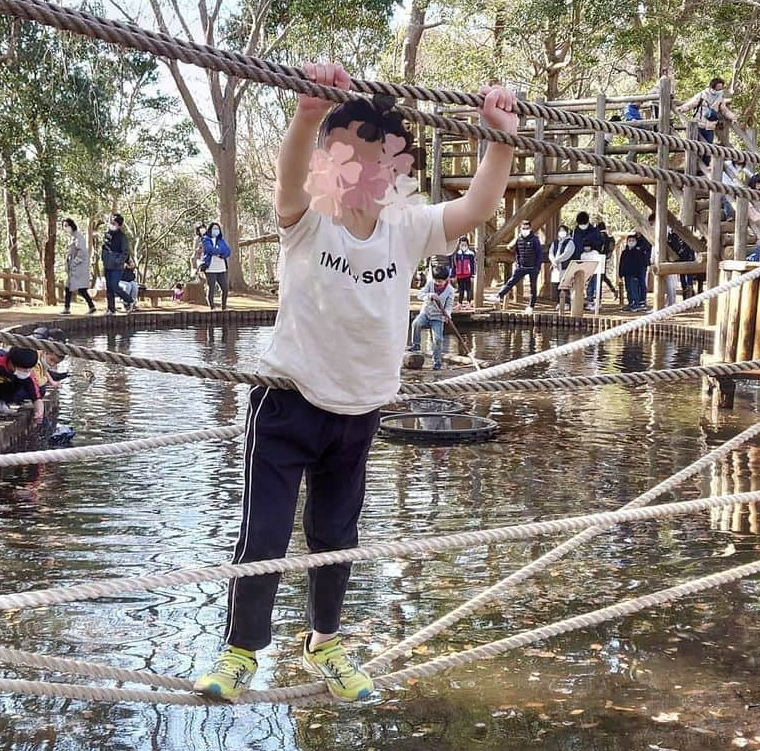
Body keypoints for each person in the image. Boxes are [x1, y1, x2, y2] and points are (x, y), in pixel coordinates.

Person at [191, 61, 516, 703]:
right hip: (286, 405)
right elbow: (286, 182)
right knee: (264, 531)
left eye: (378, 164)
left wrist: (499, 138)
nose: (361, 175)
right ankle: (239, 651)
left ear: (398, 174)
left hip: (359, 411)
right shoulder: (309, 220)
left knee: (337, 534)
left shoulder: (408, 228)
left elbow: (480, 204)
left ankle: (325, 643)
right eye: (343, 160)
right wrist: (308, 114)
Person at [408, 264, 455, 370]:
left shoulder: (450, 290)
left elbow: (449, 306)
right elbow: (420, 295)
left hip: (438, 317)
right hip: (426, 313)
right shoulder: (430, 284)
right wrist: (429, 295)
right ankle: (416, 344)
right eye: (436, 280)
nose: (438, 283)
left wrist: (447, 315)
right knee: (416, 323)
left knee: (438, 339)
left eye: (440, 281)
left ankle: (437, 362)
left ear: (446, 279)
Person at [496, 220, 544, 312]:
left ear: (530, 228)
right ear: (520, 229)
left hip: (532, 267)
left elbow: (539, 255)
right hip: (521, 266)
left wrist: (537, 267)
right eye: (523, 228)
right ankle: (499, 296)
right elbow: (517, 253)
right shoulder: (519, 239)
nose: (525, 230)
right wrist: (518, 264)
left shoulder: (535, 239)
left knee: (533, 287)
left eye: (527, 228)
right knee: (511, 281)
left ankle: (531, 306)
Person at [677, 77, 733, 146]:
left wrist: (733, 117)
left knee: (708, 150)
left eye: (721, 88)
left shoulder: (720, 98)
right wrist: (682, 108)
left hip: (710, 127)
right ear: (712, 87)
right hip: (699, 125)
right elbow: (692, 103)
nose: (719, 90)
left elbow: (724, 110)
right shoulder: (703, 94)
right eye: (718, 88)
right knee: (696, 147)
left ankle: (706, 157)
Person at [571, 211, 605, 311]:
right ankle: (582, 300)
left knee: (595, 280)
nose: (582, 226)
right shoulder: (576, 231)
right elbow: (575, 246)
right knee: (580, 280)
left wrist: (591, 249)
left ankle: (595, 300)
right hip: (580, 259)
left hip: (593, 258)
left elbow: (600, 244)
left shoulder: (595, 231)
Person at [101, 214, 134, 314]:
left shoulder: (122, 237)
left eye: (113, 222)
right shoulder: (107, 234)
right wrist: (104, 257)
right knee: (109, 288)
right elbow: (104, 247)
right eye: (110, 222)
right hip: (107, 265)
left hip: (117, 267)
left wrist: (118, 261)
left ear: (119, 225)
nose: (111, 224)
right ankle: (111, 309)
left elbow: (125, 252)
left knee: (114, 285)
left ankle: (129, 300)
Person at [62, 218, 95, 314]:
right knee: (70, 287)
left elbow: (82, 252)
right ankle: (68, 308)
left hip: (78, 268)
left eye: (67, 225)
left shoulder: (78, 237)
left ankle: (90, 306)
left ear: (72, 225)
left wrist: (74, 263)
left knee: (79, 289)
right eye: (64, 226)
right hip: (73, 268)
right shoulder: (72, 237)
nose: (65, 228)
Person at [201, 222, 231, 309]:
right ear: (210, 229)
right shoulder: (206, 239)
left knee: (225, 288)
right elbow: (209, 249)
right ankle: (212, 307)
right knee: (211, 288)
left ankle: (224, 306)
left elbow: (228, 251)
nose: (216, 230)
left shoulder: (221, 240)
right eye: (214, 228)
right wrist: (219, 251)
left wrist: (221, 254)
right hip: (210, 268)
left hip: (221, 268)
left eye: (217, 228)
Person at [619, 231, 651, 312]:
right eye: (629, 241)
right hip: (626, 274)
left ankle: (636, 303)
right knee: (628, 289)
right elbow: (621, 263)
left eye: (633, 241)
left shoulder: (638, 253)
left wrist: (637, 275)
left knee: (634, 289)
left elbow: (639, 265)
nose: (631, 242)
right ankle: (630, 303)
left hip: (634, 274)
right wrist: (620, 273)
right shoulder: (624, 252)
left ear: (636, 242)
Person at [549, 225, 575, 312]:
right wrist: (553, 261)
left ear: (567, 232)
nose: (561, 232)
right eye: (560, 230)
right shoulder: (555, 242)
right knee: (556, 286)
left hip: (564, 267)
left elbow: (567, 254)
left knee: (565, 285)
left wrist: (556, 260)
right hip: (556, 268)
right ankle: (559, 303)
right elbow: (551, 253)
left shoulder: (570, 242)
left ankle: (566, 303)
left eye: (563, 230)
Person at [452, 237, 476, 304]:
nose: (463, 246)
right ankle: (460, 303)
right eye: (462, 245)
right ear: (459, 245)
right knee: (461, 290)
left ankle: (468, 303)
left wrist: (472, 275)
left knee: (468, 289)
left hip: (467, 275)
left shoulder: (471, 254)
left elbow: (472, 265)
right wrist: (453, 275)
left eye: (465, 245)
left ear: (468, 245)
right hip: (459, 275)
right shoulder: (457, 254)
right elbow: (454, 265)